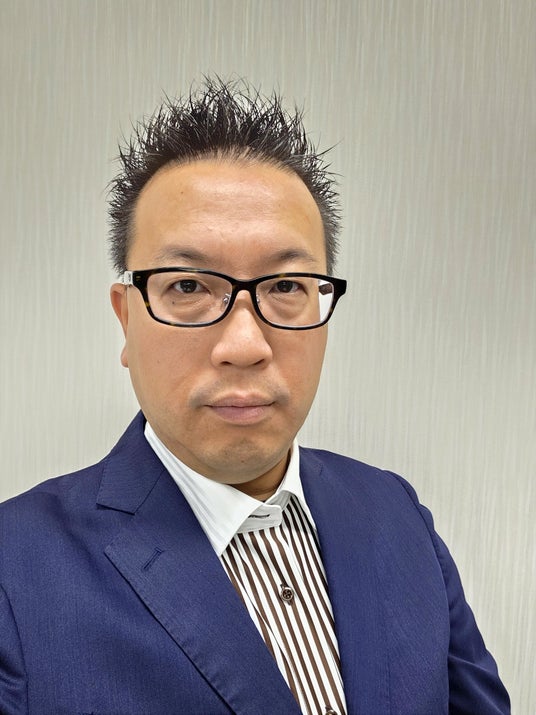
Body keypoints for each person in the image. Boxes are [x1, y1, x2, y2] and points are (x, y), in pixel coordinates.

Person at [0, 78, 510, 715]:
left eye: (287, 286)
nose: (243, 345)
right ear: (126, 319)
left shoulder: (394, 511)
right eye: (188, 286)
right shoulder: (15, 570)